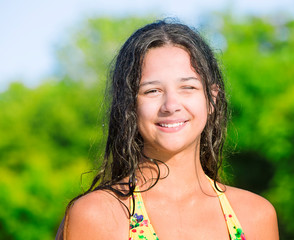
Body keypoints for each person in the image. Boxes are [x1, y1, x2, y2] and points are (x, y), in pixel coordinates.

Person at [56, 19, 279, 240]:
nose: (171, 106)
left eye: (187, 87)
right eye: (152, 91)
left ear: (211, 99)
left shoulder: (255, 216)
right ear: (129, 105)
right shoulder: (96, 216)